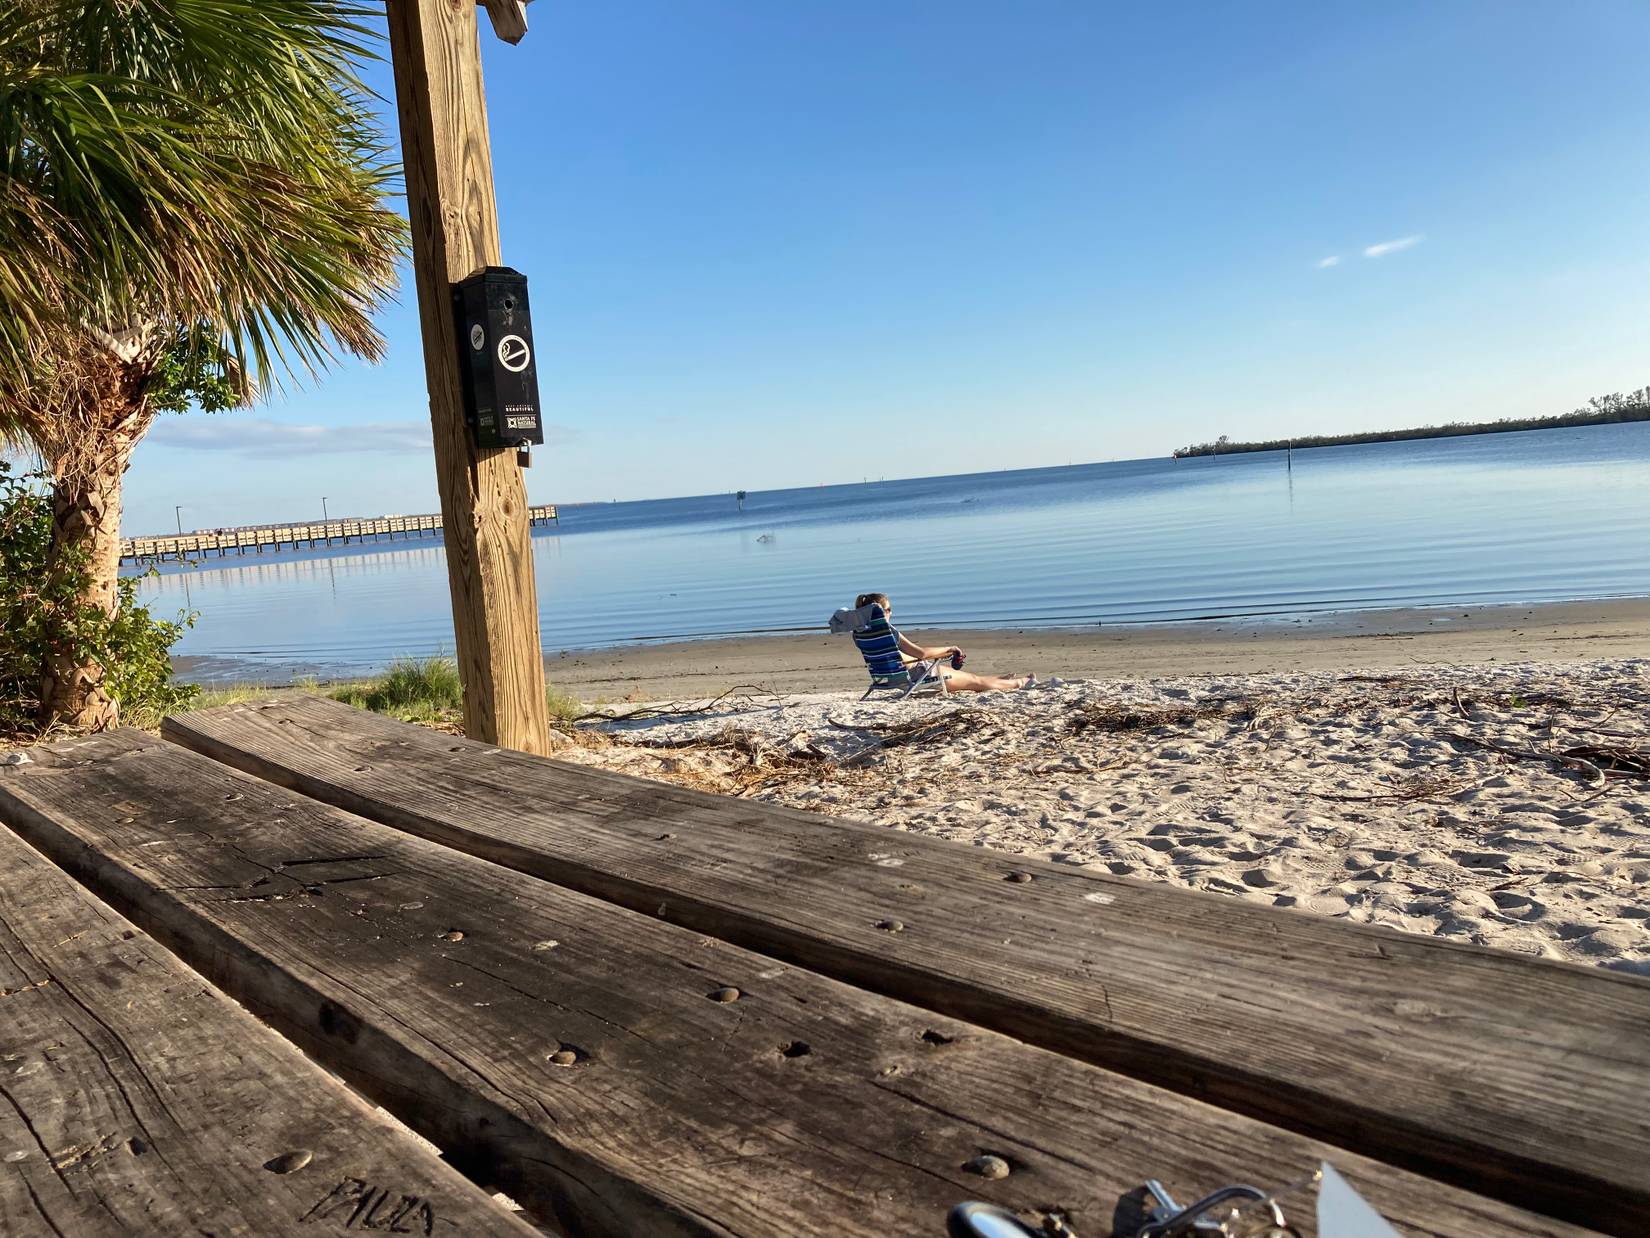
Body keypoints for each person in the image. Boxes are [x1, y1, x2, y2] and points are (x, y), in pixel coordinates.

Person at [855, 592, 1033, 693]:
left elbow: (903, 657)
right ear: (883, 612)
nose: (891, 612)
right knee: (974, 681)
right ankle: (1021, 683)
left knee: (972, 679)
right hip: (917, 674)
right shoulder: (889, 633)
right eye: (889, 609)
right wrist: (949, 648)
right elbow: (921, 654)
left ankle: (998, 680)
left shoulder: (861, 633)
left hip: (890, 676)